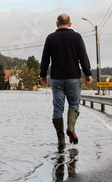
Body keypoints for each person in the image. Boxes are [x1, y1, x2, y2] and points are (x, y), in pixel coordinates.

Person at [40, 13, 93, 148]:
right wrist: (88, 74)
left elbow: (45, 59)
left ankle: (61, 140)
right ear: (70, 24)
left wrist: (42, 75)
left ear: (57, 23)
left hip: (57, 79)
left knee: (58, 108)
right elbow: (83, 57)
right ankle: (71, 128)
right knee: (74, 105)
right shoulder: (76, 37)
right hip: (74, 78)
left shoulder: (50, 38)